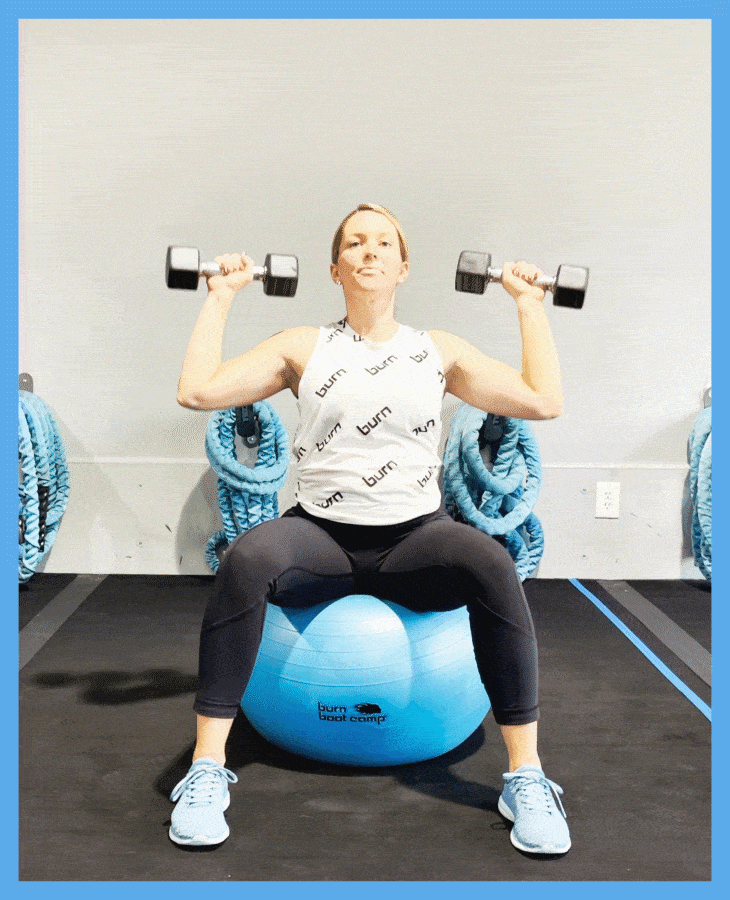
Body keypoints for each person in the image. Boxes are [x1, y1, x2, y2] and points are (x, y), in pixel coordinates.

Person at [172, 203, 570, 855]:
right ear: (335, 268)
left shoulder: (438, 350)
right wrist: (219, 296)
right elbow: (198, 390)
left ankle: (526, 776)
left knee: (492, 562)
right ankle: (205, 771)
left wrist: (529, 304)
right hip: (319, 538)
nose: (369, 250)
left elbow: (543, 400)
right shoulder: (303, 345)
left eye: (384, 242)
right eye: (354, 243)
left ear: (403, 267)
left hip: (415, 537)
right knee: (247, 558)